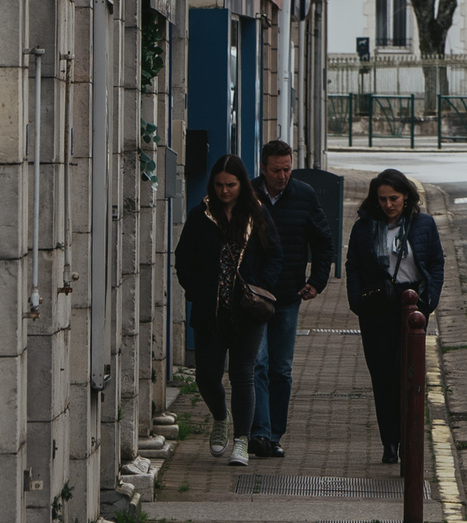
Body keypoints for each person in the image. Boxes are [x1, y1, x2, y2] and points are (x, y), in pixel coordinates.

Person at [172, 155, 284, 463]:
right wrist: (194, 290)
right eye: (219, 185)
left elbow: (275, 255)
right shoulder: (201, 215)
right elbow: (184, 258)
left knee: (242, 374)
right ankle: (220, 418)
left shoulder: (257, 214)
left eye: (231, 185)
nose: (225, 191)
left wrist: (260, 285)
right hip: (210, 310)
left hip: (248, 310)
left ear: (242, 185)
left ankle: (241, 441)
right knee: (207, 376)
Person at [346, 167, 445, 468]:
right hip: (376, 307)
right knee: (382, 377)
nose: (388, 205)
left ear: (406, 197)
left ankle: (407, 438)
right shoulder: (364, 227)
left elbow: (437, 263)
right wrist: (356, 302)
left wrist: (428, 302)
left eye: (394, 199)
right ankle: (389, 442)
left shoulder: (424, 225)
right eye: (383, 199)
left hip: (411, 305)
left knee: (406, 375)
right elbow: (353, 266)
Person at [245, 139, 337, 459]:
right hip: (253, 298)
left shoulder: (304, 196)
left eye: (287, 169)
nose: (283, 176)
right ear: (263, 169)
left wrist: (317, 281)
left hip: (287, 297)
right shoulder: (249, 197)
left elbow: (324, 243)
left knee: (280, 369)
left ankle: (274, 433)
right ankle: (259, 432)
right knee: (258, 364)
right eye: (276, 170)